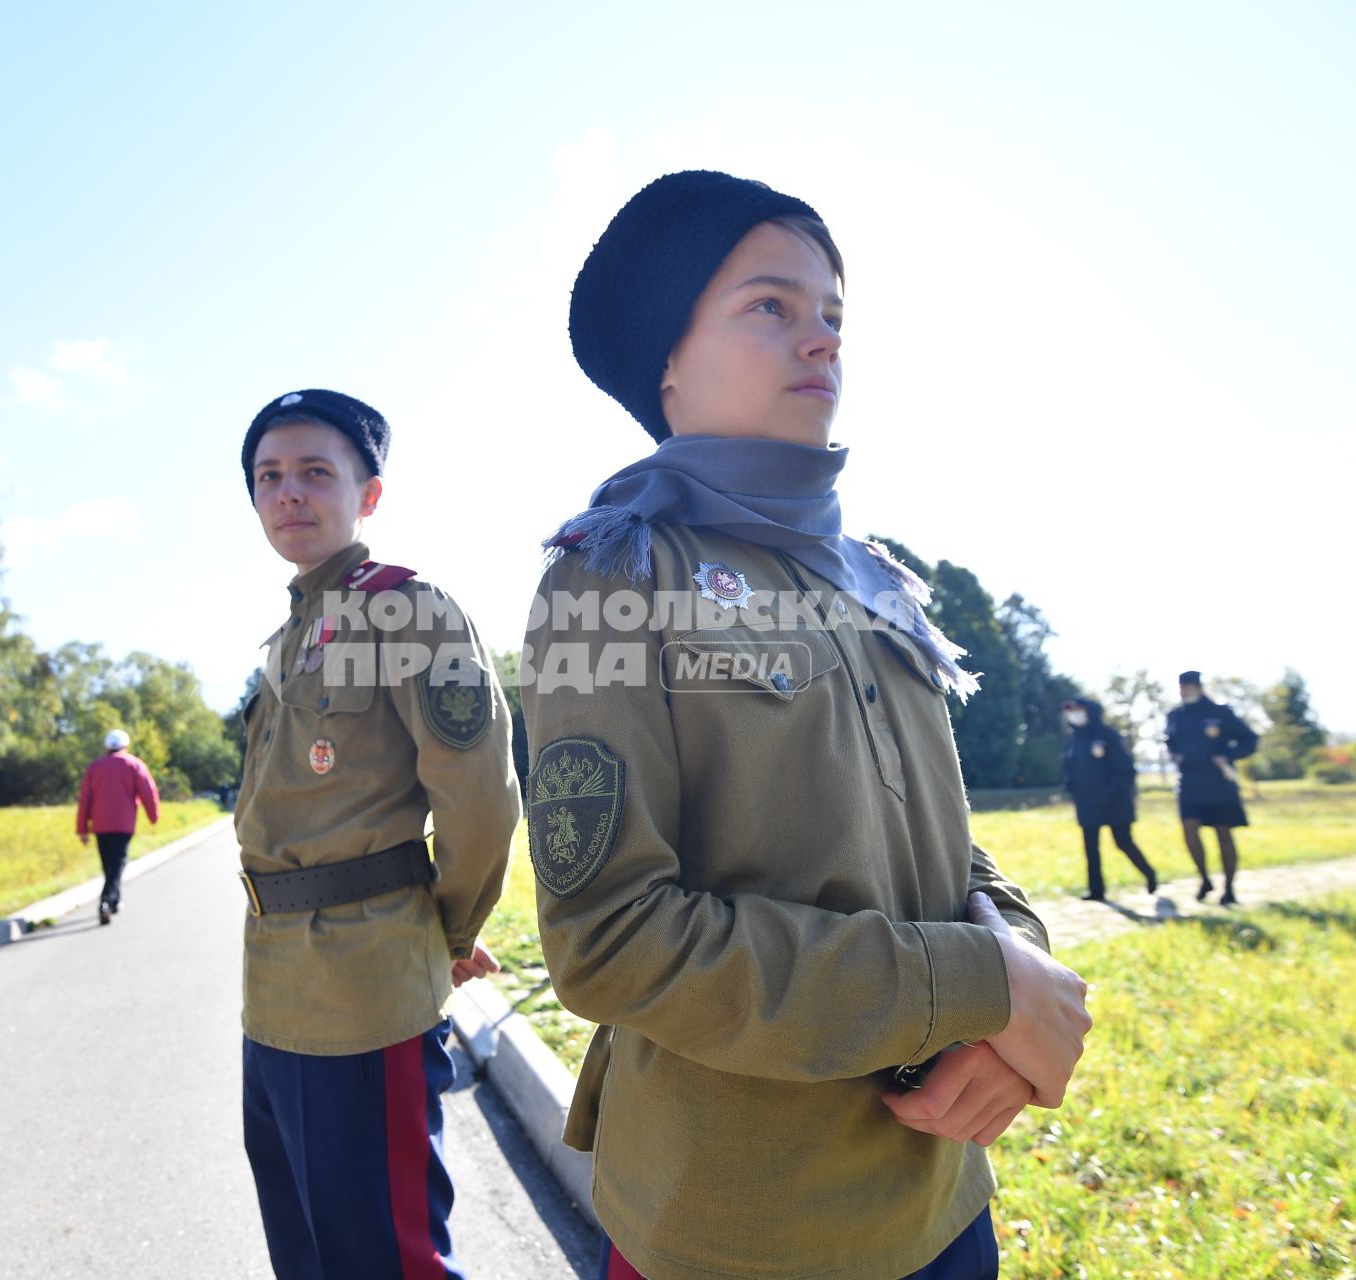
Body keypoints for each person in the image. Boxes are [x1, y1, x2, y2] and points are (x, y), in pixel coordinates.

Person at [522, 170, 1092, 1280]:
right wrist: (971, 981)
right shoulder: (615, 577)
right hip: (740, 1227)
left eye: (832, 314)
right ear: (667, 360)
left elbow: (936, 843)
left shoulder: (878, 580)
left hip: (940, 1201)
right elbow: (612, 938)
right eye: (771, 307)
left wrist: (1015, 958)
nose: (822, 341)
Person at [233, 388, 521, 1279]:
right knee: (308, 1254)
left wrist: (451, 934)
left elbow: (481, 798)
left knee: (387, 1261)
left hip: (364, 990)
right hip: (273, 988)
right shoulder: (287, 637)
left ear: (370, 494)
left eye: (316, 472)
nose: (289, 493)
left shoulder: (406, 610)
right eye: (268, 476)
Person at [1164, 669, 1259, 906]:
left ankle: (1229, 889)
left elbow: (1250, 740)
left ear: (1198, 687)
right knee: (1189, 829)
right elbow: (1170, 741)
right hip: (1189, 782)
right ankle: (1204, 879)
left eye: (1187, 686)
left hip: (1219, 784)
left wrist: (1228, 755)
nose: (1183, 691)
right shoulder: (1175, 715)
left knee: (1223, 833)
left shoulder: (1220, 713)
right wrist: (1174, 755)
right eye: (1180, 687)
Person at [1060, 698, 1157, 900]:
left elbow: (1125, 770)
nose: (1074, 714)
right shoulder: (1073, 739)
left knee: (1123, 842)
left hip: (1115, 802)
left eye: (1078, 709)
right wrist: (1071, 787)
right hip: (1086, 802)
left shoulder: (1108, 735)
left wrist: (1109, 793)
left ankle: (1149, 874)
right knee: (1091, 847)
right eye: (1071, 711)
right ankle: (1096, 890)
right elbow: (1069, 768)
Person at [76, 728, 160, 926]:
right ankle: (106, 901)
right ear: (126, 745)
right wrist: (153, 815)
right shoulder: (134, 764)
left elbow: (85, 799)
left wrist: (82, 828)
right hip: (123, 824)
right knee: (118, 864)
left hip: (100, 825)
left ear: (106, 747)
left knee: (109, 865)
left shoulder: (95, 767)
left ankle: (114, 901)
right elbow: (148, 791)